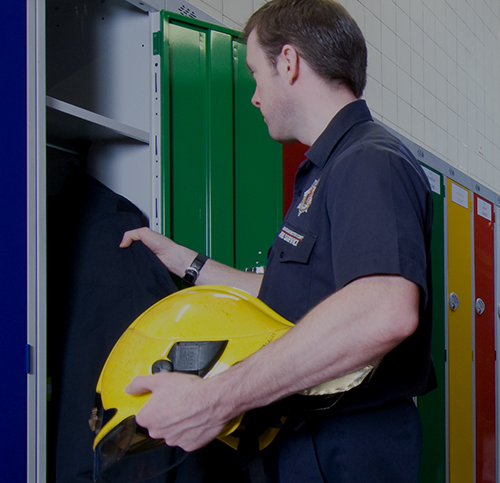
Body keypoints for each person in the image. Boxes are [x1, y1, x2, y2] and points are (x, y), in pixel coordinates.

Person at [117, 0, 434, 481]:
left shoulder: (369, 162)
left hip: (350, 446)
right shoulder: (325, 171)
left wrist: (216, 399)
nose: (254, 96)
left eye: (255, 73)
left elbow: (384, 309)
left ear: (288, 63)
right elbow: (286, 297)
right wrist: (186, 261)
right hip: (311, 440)